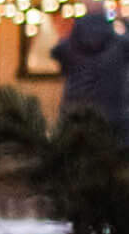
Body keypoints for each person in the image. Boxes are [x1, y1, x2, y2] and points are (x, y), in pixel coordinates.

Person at [52, 8, 129, 139]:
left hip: (75, 115)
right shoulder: (121, 45)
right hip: (115, 116)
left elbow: (57, 52)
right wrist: (124, 22)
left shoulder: (68, 46)